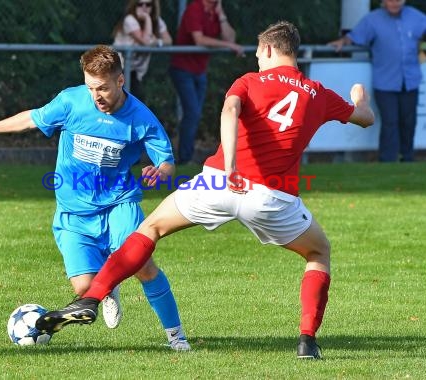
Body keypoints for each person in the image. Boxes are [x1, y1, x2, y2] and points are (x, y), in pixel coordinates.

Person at [36, 21, 375, 359]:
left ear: (270, 49)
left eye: (258, 51)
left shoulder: (249, 81)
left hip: (216, 182)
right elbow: (365, 118)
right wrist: (359, 98)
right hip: (273, 198)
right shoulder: (317, 92)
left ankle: (91, 298)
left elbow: (229, 110)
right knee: (318, 253)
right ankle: (306, 341)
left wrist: (228, 166)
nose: (257, 57)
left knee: (151, 228)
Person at [0, 45, 191, 351]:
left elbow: (167, 162)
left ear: (121, 81)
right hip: (73, 212)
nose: (96, 96)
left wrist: (160, 171)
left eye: (104, 88)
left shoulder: (141, 118)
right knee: (85, 290)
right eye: (91, 87)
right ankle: (108, 287)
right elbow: (33, 118)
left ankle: (176, 337)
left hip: (118, 204)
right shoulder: (71, 101)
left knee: (143, 267)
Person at [328, 0, 426, 162]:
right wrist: (343, 42)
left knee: (409, 122)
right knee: (390, 122)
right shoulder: (372, 19)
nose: (395, 3)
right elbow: (354, 36)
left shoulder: (414, 15)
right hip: (385, 82)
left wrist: (420, 40)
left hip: (410, 80)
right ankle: (387, 160)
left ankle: (407, 158)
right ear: (383, 1)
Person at [169, 0, 244, 164]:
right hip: (182, 69)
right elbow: (200, 40)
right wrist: (229, 45)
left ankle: (185, 156)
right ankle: (184, 158)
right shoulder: (194, 9)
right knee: (193, 113)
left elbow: (230, 37)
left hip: (199, 71)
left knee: (194, 114)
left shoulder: (216, 12)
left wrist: (222, 16)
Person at [112, 0, 172, 102]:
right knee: (120, 104)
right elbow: (146, 42)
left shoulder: (156, 21)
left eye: (148, 4)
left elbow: (169, 40)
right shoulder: (130, 19)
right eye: (140, 4)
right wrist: (147, 18)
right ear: (134, 6)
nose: (144, 7)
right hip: (117, 68)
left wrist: (157, 42)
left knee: (133, 104)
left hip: (134, 71)